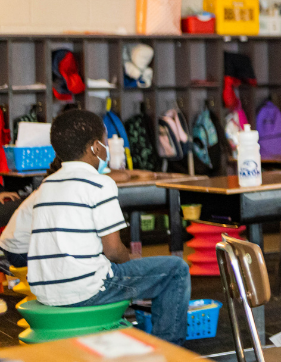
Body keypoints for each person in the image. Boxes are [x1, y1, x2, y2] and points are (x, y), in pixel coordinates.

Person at [25, 110, 190, 344]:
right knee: (175, 270)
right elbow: (113, 251)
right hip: (85, 289)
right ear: (95, 147)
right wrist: (132, 260)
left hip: (45, 290)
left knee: (133, 270)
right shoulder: (99, 183)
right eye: (104, 141)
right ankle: (171, 352)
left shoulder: (45, 186)